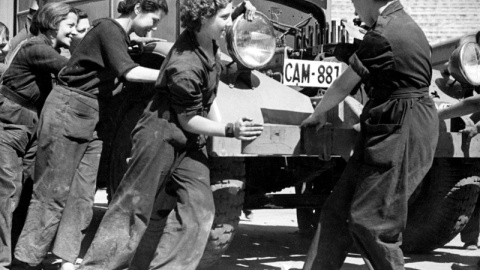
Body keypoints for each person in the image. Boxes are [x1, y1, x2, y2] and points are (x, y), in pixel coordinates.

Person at [78, 0, 261, 269]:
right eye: (224, 17)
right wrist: (231, 129)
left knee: (200, 211)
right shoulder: (185, 64)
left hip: (187, 144)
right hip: (159, 137)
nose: (229, 23)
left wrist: (241, 8)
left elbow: (214, 15)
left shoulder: (205, 39)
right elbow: (190, 120)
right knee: (133, 210)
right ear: (204, 21)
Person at [13, 1, 168, 269]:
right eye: (154, 18)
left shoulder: (119, 36)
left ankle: (66, 257)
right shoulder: (108, 28)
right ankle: (27, 260)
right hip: (70, 108)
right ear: (139, 8)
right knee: (53, 190)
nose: (156, 26)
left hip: (94, 116)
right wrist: (171, 74)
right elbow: (130, 72)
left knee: (83, 194)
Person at [300, 0, 438, 269]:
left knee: (372, 221)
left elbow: (343, 85)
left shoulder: (384, 34)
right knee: (338, 211)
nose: (353, 10)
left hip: (401, 128)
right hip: (388, 123)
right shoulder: (402, 24)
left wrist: (317, 114)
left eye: (354, 2)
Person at [0, 3, 77, 269]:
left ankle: (18, 254)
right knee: (7, 191)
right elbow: (71, 70)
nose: (74, 31)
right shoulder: (37, 48)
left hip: (30, 125)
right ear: (54, 23)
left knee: (30, 187)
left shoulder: (50, 48)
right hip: (10, 123)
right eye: (70, 25)